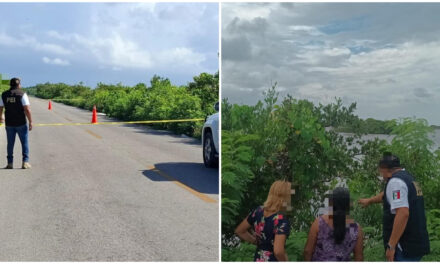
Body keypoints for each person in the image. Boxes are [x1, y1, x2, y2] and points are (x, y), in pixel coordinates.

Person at [358, 153, 430, 261]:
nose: (381, 175)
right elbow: (388, 194)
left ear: (384, 169)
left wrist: (391, 245)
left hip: (404, 246)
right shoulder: (407, 178)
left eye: (380, 171)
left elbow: (403, 213)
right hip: (416, 241)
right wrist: (370, 200)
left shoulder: (395, 182)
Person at [235, 180, 292, 261]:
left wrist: (256, 242)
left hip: (259, 258)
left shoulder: (258, 211)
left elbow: (239, 231)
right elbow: (278, 251)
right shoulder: (281, 220)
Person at [304, 187, 364, 261]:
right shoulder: (356, 229)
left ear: (331, 203)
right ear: (348, 204)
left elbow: (308, 251)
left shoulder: (319, 223)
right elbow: (359, 257)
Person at [0, 77, 33, 169]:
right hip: (21, 123)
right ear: (19, 85)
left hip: (9, 123)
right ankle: (25, 162)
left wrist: (1, 117)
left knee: (10, 144)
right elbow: (27, 109)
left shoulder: (4, 94)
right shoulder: (22, 94)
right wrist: (30, 121)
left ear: (10, 85)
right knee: (24, 142)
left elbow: (0, 107)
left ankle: (10, 163)